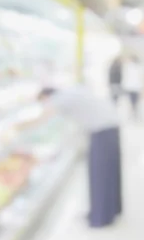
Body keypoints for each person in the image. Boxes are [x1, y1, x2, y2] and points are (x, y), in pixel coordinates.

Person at [38, 85, 122, 228]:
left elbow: (42, 119)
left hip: (101, 131)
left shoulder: (59, 99)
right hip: (110, 128)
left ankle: (100, 218)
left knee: (99, 175)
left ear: (46, 96)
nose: (44, 105)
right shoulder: (71, 92)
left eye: (42, 102)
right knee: (109, 173)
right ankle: (110, 211)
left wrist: (15, 127)